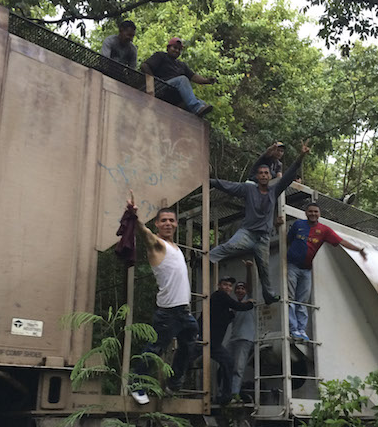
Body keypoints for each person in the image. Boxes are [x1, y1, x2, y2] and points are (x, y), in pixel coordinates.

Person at [210, 140, 311, 304]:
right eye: (261, 173)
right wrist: (210, 181)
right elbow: (228, 186)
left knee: (264, 269)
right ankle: (208, 258)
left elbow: (288, 176)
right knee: (230, 245)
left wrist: (301, 156)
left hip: (263, 239)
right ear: (257, 176)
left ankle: (269, 295)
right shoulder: (249, 189)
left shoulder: (274, 191)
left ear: (270, 176)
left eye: (266, 173)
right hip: (247, 233)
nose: (264, 175)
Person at [125, 191, 198, 405]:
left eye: (171, 221)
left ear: (176, 225)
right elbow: (143, 232)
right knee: (155, 349)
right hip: (168, 312)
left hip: (183, 311)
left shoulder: (176, 248)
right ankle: (136, 384)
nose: (168, 223)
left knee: (189, 344)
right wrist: (135, 216)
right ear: (157, 224)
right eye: (163, 220)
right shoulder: (157, 245)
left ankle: (173, 383)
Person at [287, 203, 367, 341]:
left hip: (306, 269)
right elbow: (288, 239)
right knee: (290, 299)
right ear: (306, 213)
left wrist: (358, 250)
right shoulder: (298, 224)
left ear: (319, 214)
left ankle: (301, 329)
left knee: (303, 301)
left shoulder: (324, 230)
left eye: (316, 212)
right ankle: (293, 329)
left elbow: (341, 241)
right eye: (310, 211)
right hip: (292, 266)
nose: (313, 214)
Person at [199, 276, 254, 405]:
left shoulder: (225, 304)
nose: (227, 288)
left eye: (229, 286)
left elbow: (225, 316)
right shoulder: (220, 296)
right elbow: (238, 306)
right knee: (188, 358)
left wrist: (232, 312)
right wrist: (250, 303)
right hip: (206, 339)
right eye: (225, 285)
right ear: (219, 285)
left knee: (228, 363)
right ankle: (172, 380)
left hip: (214, 343)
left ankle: (226, 396)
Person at [141, 37, 216, 117]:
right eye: (175, 48)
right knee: (182, 79)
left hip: (173, 96)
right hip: (162, 87)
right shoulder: (161, 56)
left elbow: (193, 76)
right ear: (168, 48)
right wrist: (151, 84)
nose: (177, 51)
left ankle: (191, 113)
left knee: (202, 104)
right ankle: (196, 108)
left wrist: (207, 80)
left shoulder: (181, 65)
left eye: (179, 49)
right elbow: (145, 66)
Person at [226, 260, 256, 401]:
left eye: (242, 289)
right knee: (226, 365)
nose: (239, 290)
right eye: (237, 289)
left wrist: (249, 269)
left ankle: (234, 394)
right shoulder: (234, 305)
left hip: (245, 339)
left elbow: (250, 286)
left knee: (238, 368)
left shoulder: (248, 301)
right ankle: (226, 393)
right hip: (233, 339)